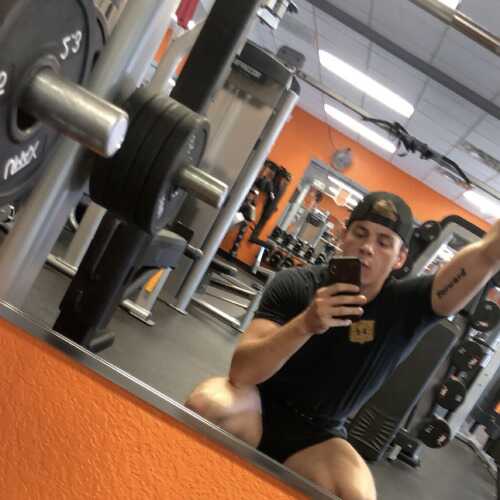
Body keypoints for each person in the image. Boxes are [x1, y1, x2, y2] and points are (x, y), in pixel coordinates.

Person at [186, 191, 500, 500]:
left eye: (383, 242)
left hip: (316, 437)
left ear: (400, 257)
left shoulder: (406, 307)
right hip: (256, 405)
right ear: (343, 237)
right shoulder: (296, 283)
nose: (367, 247)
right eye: (360, 233)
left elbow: (485, 256)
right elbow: (241, 374)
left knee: (355, 494)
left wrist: (494, 247)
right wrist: (305, 324)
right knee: (207, 404)